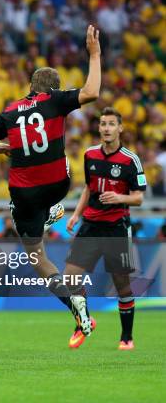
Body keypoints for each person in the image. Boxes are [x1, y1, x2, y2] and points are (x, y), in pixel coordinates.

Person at [0, 25, 102, 336]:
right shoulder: (55, 101)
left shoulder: (9, 112)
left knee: (37, 256)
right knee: (68, 161)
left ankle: (73, 303)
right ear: (53, 89)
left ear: (31, 86)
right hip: (58, 184)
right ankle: (51, 212)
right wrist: (95, 55)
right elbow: (92, 92)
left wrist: (2, 148)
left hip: (24, 193)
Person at [65, 107, 146, 350]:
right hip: (90, 225)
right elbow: (89, 189)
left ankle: (126, 338)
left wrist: (119, 198)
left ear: (120, 128)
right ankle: (84, 321)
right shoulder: (90, 155)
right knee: (70, 276)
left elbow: (139, 198)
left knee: (121, 284)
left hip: (116, 228)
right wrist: (76, 214)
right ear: (98, 128)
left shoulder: (130, 160)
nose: (106, 128)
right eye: (103, 124)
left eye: (111, 124)